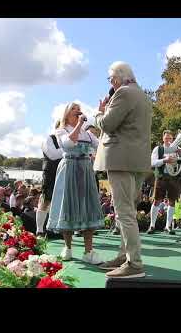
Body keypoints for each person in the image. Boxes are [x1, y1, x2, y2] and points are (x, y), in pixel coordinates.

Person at [94, 61, 152, 278]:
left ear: (117, 78)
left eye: (110, 79)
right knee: (126, 212)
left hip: (120, 159)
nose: (110, 83)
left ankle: (134, 264)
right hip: (136, 161)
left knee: (124, 212)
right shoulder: (143, 96)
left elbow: (108, 124)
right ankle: (124, 256)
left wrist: (99, 114)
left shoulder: (123, 93)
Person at [46, 102, 104, 265]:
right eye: (74, 109)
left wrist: (102, 115)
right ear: (66, 114)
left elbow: (100, 145)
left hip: (85, 169)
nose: (78, 111)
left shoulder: (87, 134)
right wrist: (79, 124)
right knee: (68, 205)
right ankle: (68, 247)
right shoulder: (61, 130)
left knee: (88, 206)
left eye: (79, 109)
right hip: (69, 167)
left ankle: (88, 251)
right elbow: (68, 144)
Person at [147, 130, 181, 235]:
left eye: (170, 138)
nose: (168, 140)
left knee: (172, 201)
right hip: (161, 177)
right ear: (163, 139)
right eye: (166, 138)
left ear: (173, 139)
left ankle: (168, 226)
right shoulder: (158, 149)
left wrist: (180, 155)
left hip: (174, 178)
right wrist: (165, 160)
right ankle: (152, 225)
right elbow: (152, 162)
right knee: (157, 201)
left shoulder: (178, 148)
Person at [36, 120, 63, 236]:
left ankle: (56, 229)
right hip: (50, 173)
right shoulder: (49, 138)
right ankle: (40, 230)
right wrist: (69, 148)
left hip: (63, 172)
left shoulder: (68, 140)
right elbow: (53, 155)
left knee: (61, 202)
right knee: (46, 200)